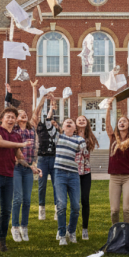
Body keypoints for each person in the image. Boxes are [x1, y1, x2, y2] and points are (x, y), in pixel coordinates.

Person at [0, 107, 32, 254]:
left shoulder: (16, 136)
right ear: (2, 119)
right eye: (8, 117)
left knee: (6, 210)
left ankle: (1, 239)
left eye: (12, 117)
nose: (10, 119)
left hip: (9, 175)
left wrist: (31, 167)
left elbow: (19, 156)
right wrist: (21, 145)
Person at [11, 83, 44, 243]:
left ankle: (24, 227)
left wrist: (37, 92)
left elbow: (36, 111)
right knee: (17, 198)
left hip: (29, 167)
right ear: (15, 118)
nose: (23, 115)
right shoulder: (13, 130)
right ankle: (14, 227)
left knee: (27, 200)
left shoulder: (32, 129)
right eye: (20, 113)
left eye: (25, 113)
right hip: (17, 167)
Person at [51, 113, 87, 244]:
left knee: (76, 206)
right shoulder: (58, 137)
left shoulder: (78, 139)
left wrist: (83, 144)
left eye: (71, 122)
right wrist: (51, 111)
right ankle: (61, 234)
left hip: (73, 175)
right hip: (59, 173)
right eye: (67, 122)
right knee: (61, 205)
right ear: (63, 127)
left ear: (74, 128)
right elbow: (48, 126)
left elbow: (84, 149)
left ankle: (71, 231)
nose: (69, 123)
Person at [105, 98, 129, 225]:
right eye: (119, 121)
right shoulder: (112, 137)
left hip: (128, 177)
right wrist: (108, 108)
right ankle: (116, 232)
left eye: (124, 121)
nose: (121, 123)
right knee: (114, 210)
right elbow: (107, 125)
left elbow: (123, 146)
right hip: (114, 177)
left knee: (126, 209)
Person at [34, 82, 58, 222]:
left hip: (54, 158)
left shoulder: (53, 127)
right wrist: (43, 99)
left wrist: (52, 102)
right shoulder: (39, 127)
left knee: (56, 185)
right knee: (42, 185)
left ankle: (56, 210)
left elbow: (51, 113)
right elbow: (37, 112)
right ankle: (41, 209)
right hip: (42, 159)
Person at [74, 114, 99, 240]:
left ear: (86, 123)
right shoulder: (71, 136)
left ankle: (85, 228)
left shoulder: (89, 137)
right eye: (79, 120)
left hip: (86, 173)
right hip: (73, 172)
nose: (82, 121)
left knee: (85, 200)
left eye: (84, 119)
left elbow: (88, 151)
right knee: (74, 202)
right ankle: (71, 229)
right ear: (76, 123)